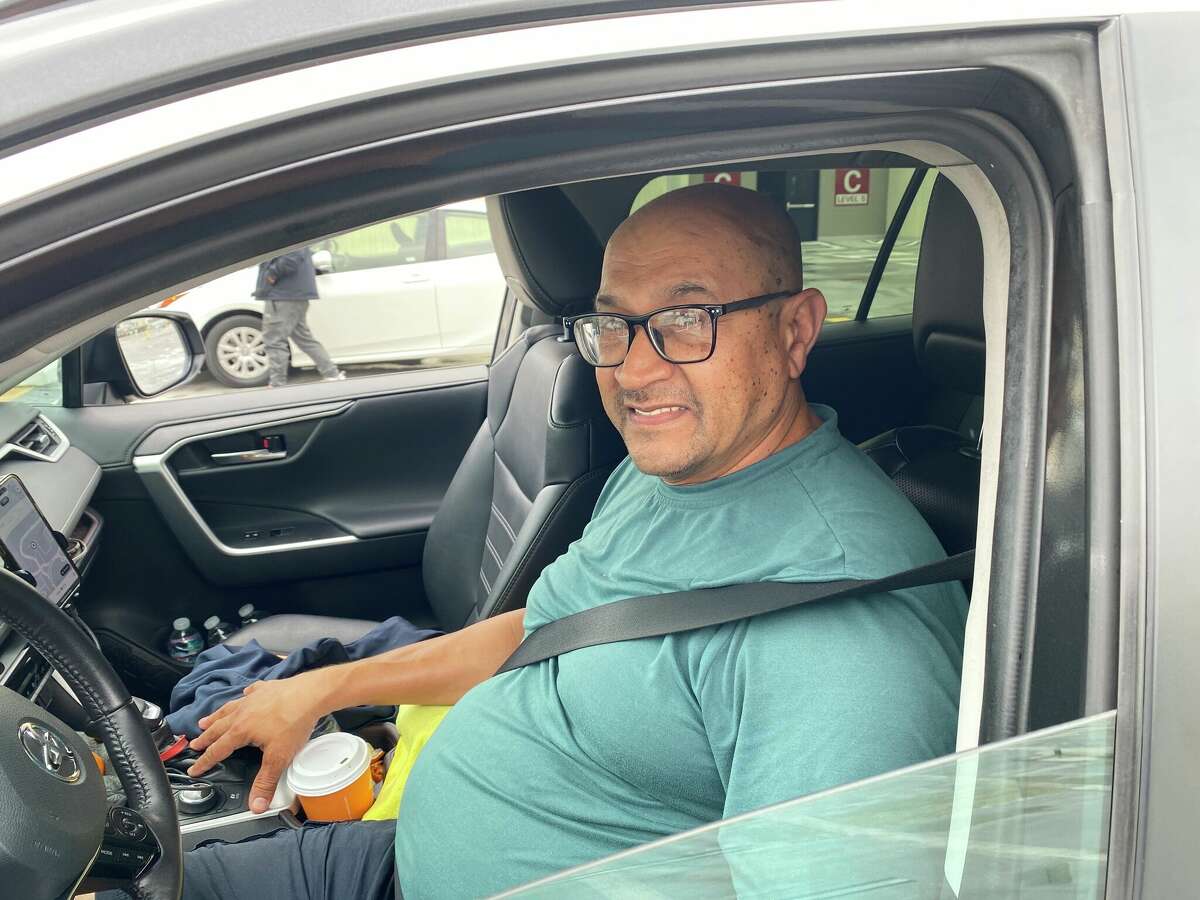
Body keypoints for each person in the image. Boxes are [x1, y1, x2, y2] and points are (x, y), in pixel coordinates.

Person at [176, 184, 968, 899]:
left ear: (796, 331)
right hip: (400, 858)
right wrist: (324, 688)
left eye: (688, 319)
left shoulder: (846, 638)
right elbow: (542, 631)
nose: (634, 369)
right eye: (614, 325)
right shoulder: (665, 473)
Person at [255, 249, 344, 387]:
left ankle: (277, 385)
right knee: (303, 338)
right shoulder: (294, 230)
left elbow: (292, 255)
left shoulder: (287, 231)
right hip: (292, 293)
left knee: (274, 340)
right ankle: (332, 374)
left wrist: (271, 274)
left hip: (283, 293)